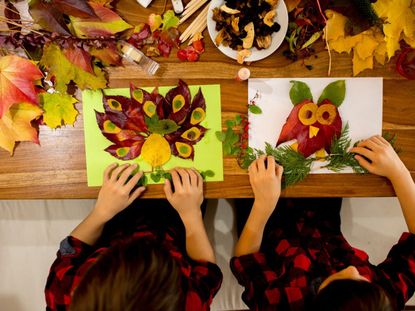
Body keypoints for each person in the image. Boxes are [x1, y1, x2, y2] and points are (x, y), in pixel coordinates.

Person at [230, 135, 415, 311]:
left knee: (243, 151)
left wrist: (263, 204)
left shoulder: (279, 304)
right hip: (323, 217)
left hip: (263, 225)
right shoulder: (379, 300)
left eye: (341, 280)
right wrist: (398, 172)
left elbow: (245, 260)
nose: (352, 269)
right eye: (362, 278)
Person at [45, 164, 222, 311]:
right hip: (179, 229)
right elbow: (205, 268)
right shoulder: (188, 305)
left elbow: (74, 248)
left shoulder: (64, 295)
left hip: (114, 223)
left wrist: (102, 211)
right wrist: (191, 214)